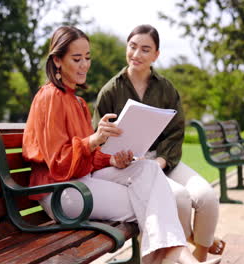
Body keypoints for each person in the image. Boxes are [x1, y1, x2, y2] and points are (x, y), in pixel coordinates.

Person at [22, 25, 221, 264]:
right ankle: (177, 255)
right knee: (151, 200)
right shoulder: (50, 97)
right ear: (57, 60)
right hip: (61, 193)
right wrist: (94, 140)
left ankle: (173, 254)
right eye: (77, 59)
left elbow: (88, 157)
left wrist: (111, 159)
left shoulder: (77, 102)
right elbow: (58, 165)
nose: (85, 65)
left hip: (81, 183)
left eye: (87, 58)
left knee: (147, 170)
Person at [93, 24, 225, 262]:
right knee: (180, 199)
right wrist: (116, 158)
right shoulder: (110, 91)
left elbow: (175, 132)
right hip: (130, 168)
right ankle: (179, 253)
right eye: (132, 47)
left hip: (164, 160)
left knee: (207, 197)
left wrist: (162, 161)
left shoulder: (166, 89)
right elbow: (98, 137)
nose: (136, 55)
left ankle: (201, 254)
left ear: (156, 55)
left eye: (145, 49)